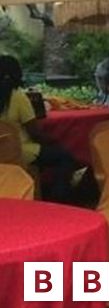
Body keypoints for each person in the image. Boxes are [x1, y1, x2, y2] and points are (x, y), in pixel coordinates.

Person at [0, 54, 82, 203]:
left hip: (3, 152)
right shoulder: (17, 97)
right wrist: (55, 140)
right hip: (19, 151)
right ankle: (58, 199)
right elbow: (35, 133)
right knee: (64, 156)